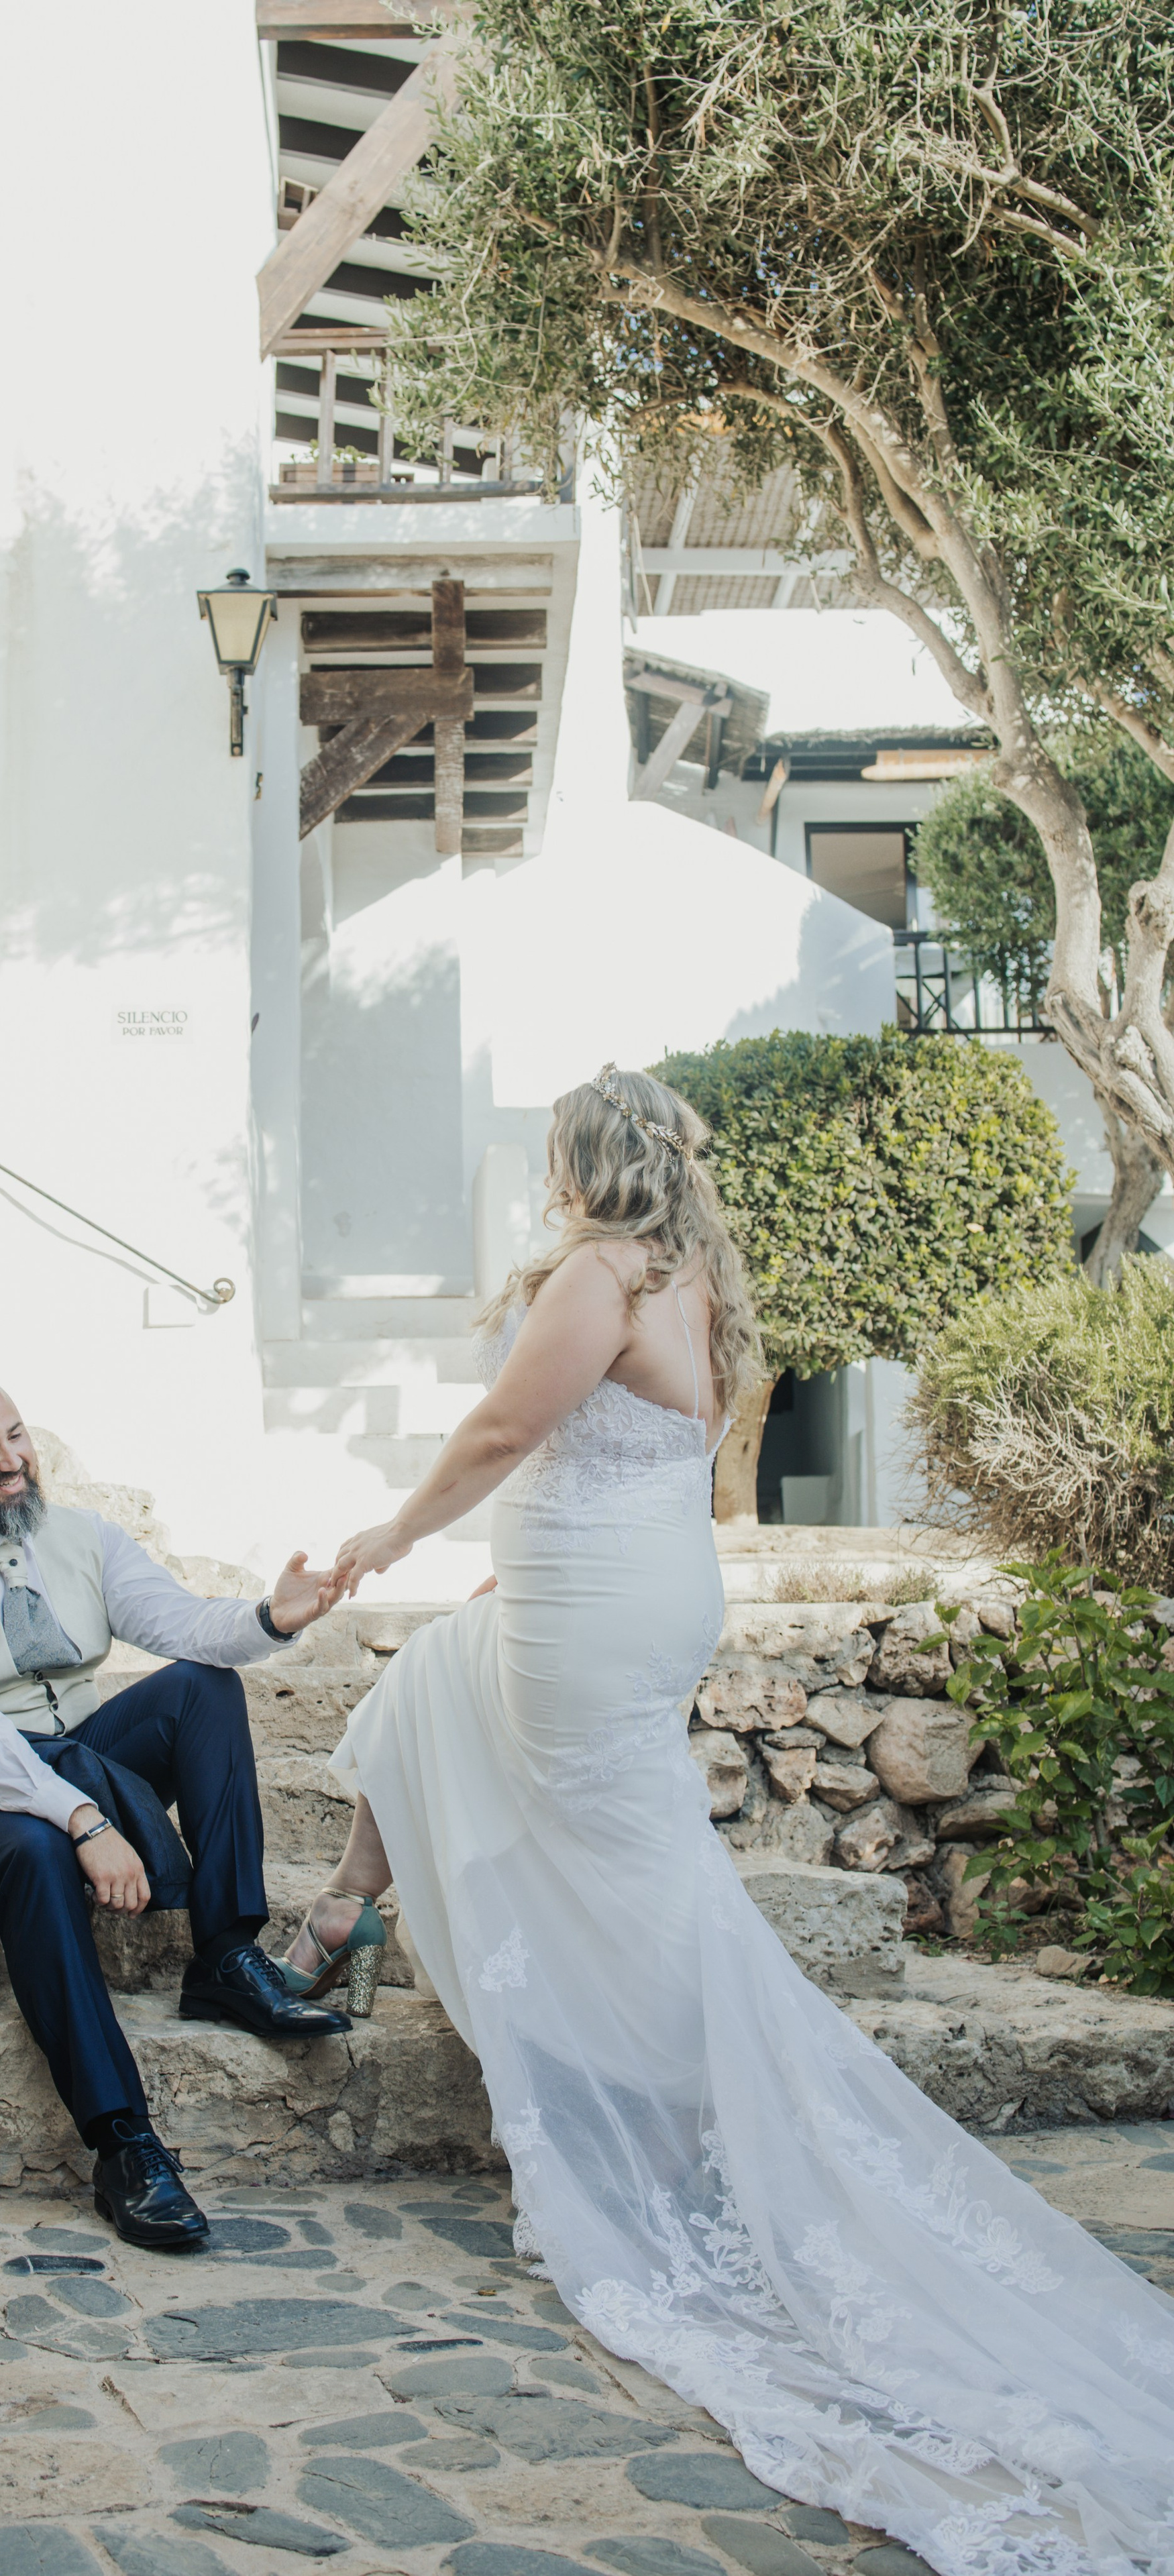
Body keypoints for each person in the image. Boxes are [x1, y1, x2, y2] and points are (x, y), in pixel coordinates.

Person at [278, 1065, 1174, 2576]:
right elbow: (621, 1459)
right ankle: (344, 1908)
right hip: (615, 1593)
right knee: (441, 1680)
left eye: (554, 1153)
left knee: (634, 1873)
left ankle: (697, 2113)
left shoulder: (597, 1270)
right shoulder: (685, 1269)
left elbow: (506, 1432)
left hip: (599, 1607)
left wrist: (382, 1535)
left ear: (581, 1159)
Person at [0, 1371, 351, 2253]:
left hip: (76, 1757)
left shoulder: (84, 1537)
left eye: (17, 1436)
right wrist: (83, 1822)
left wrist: (270, 1619)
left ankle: (224, 1956)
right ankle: (122, 2140)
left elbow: (178, 1623)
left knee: (204, 1689)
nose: (14, 1462)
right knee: (32, 1842)